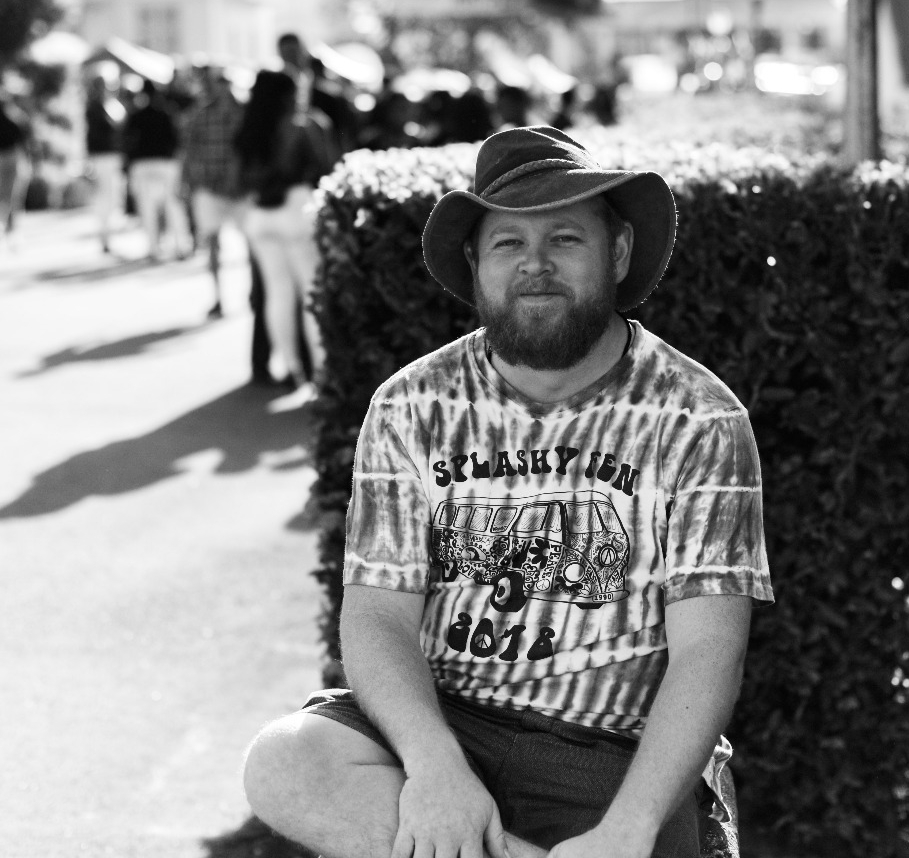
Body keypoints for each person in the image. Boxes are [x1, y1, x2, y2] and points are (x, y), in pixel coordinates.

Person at [242, 126, 774, 857]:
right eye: (507, 242)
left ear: (617, 251)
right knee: (286, 761)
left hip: (613, 751)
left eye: (565, 238)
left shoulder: (699, 418)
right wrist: (434, 767)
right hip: (448, 720)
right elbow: (377, 616)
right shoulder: (410, 404)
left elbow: (708, 650)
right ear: (475, 263)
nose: (535, 264)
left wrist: (629, 828)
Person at [234, 70, 326, 396]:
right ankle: (321, 374)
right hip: (296, 209)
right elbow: (325, 165)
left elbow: (242, 178)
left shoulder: (249, 128)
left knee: (277, 294)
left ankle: (291, 367)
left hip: (260, 215)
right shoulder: (300, 125)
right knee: (311, 294)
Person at [181, 67, 246, 319]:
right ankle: (219, 297)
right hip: (210, 187)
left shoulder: (244, 113)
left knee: (250, 243)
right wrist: (189, 181)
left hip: (239, 189)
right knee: (212, 244)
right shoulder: (202, 114)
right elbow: (190, 150)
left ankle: (253, 292)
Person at [123, 78, 192, 262]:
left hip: (143, 164)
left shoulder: (137, 115)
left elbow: (127, 142)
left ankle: (154, 248)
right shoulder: (166, 113)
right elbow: (177, 140)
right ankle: (180, 246)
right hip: (165, 164)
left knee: (149, 208)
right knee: (173, 206)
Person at [84, 74, 127, 254]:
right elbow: (97, 133)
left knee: (112, 197)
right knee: (105, 197)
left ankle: (108, 234)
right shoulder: (95, 108)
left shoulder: (108, 106)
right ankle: (105, 235)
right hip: (102, 158)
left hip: (110, 157)